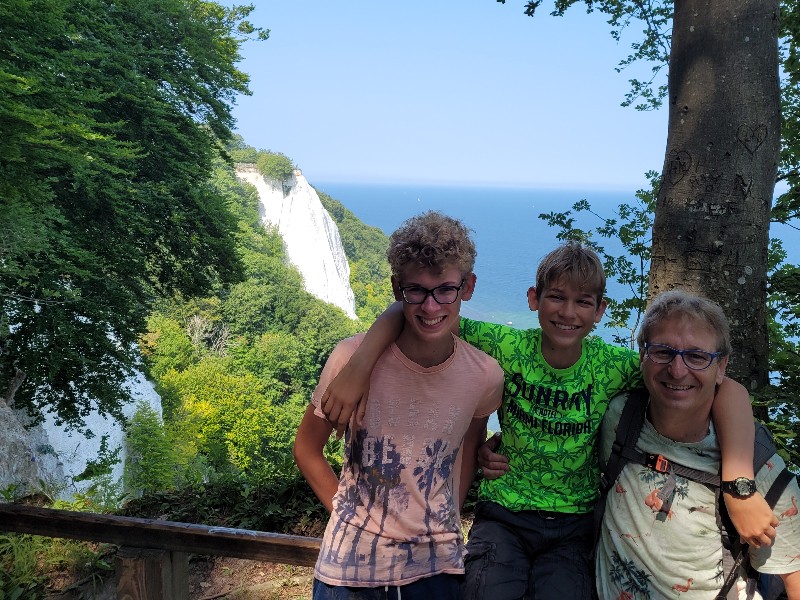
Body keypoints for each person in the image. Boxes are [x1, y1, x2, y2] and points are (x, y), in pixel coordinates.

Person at [319, 241, 775, 600]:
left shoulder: (613, 366)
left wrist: (738, 480)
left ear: (600, 311)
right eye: (556, 297)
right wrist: (358, 367)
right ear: (534, 299)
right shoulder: (508, 345)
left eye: (583, 302)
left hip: (572, 524)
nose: (567, 312)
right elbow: (421, 309)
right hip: (504, 513)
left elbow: (720, 385)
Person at [293, 211, 504, 600]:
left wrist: (446, 519)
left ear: (468, 286)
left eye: (445, 289)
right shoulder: (350, 359)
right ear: (397, 288)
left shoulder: (484, 376)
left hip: (435, 567)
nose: (430, 306)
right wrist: (346, 515)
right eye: (416, 290)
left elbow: (466, 453)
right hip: (348, 569)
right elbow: (306, 448)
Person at [596, 290, 800, 599]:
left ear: (721, 367)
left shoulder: (760, 469)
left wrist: (738, 485)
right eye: (663, 351)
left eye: (697, 356)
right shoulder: (618, 416)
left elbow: (795, 580)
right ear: (642, 356)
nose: (677, 370)